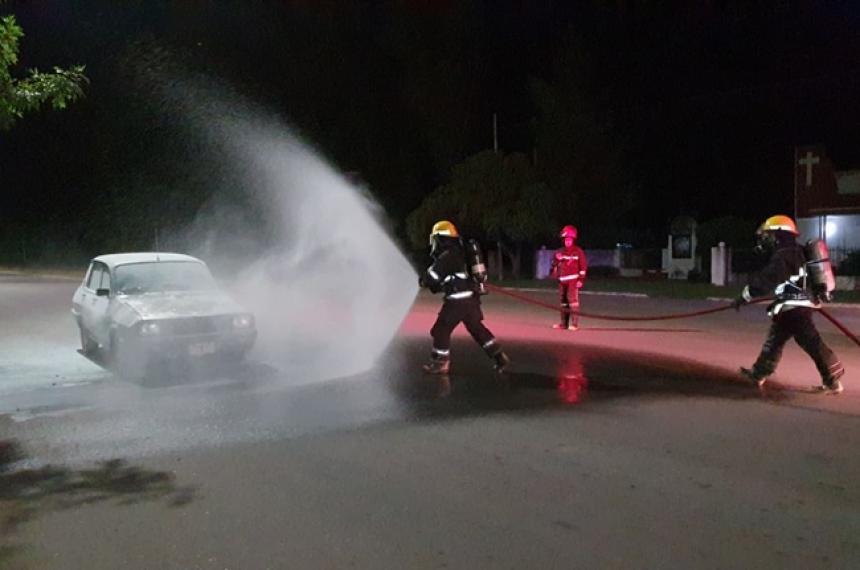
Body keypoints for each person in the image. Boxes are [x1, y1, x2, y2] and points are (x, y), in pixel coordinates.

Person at [734, 214, 844, 393]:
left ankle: (833, 380)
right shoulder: (797, 251)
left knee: (811, 343)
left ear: (779, 235)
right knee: (776, 340)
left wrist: (745, 296)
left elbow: (767, 279)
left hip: (795, 308)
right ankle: (759, 373)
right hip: (793, 307)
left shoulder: (784, 255)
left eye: (768, 235)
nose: (766, 240)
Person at [419, 220, 510, 374]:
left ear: (441, 238)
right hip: (471, 300)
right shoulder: (460, 252)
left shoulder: (447, 256)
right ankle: (499, 356)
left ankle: (440, 362)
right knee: (477, 329)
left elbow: (432, 278)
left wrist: (424, 280)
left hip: (457, 301)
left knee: (440, 330)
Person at [550, 225, 587, 330]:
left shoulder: (578, 251)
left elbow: (583, 266)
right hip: (562, 281)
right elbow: (554, 265)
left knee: (573, 301)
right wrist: (556, 260)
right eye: (566, 239)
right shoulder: (559, 252)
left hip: (573, 280)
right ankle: (563, 324)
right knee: (563, 302)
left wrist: (581, 280)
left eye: (570, 239)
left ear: (573, 240)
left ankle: (574, 324)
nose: (568, 242)